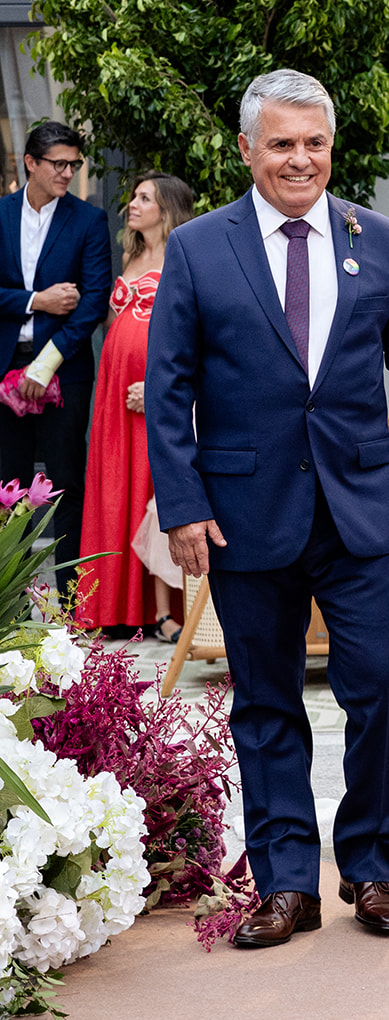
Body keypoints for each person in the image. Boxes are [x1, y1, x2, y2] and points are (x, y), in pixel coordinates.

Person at [146, 69, 389, 948]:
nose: (300, 159)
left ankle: (369, 867)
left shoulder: (382, 237)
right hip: (243, 514)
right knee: (265, 701)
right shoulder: (200, 248)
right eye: (281, 143)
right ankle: (286, 883)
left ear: (332, 146)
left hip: (360, 510)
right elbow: (168, 387)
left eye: (314, 143)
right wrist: (182, 503)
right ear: (247, 149)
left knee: (384, 691)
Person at [76, 172, 195, 639]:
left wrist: (162, 387)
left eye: (144, 198)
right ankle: (108, 606)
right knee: (112, 487)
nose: (133, 205)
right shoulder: (129, 255)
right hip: (114, 391)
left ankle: (157, 610)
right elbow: (114, 322)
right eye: (134, 197)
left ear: (166, 207)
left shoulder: (182, 257)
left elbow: (191, 336)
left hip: (153, 395)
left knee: (150, 491)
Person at [0, 121, 112, 585]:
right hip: (5, 363)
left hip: (66, 370)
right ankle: (11, 599)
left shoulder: (88, 219)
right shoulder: (1, 214)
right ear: (31, 163)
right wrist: (35, 300)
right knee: (9, 485)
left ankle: (71, 604)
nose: (68, 173)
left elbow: (93, 300)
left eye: (74, 164)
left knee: (65, 480)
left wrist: (46, 363)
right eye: (58, 164)